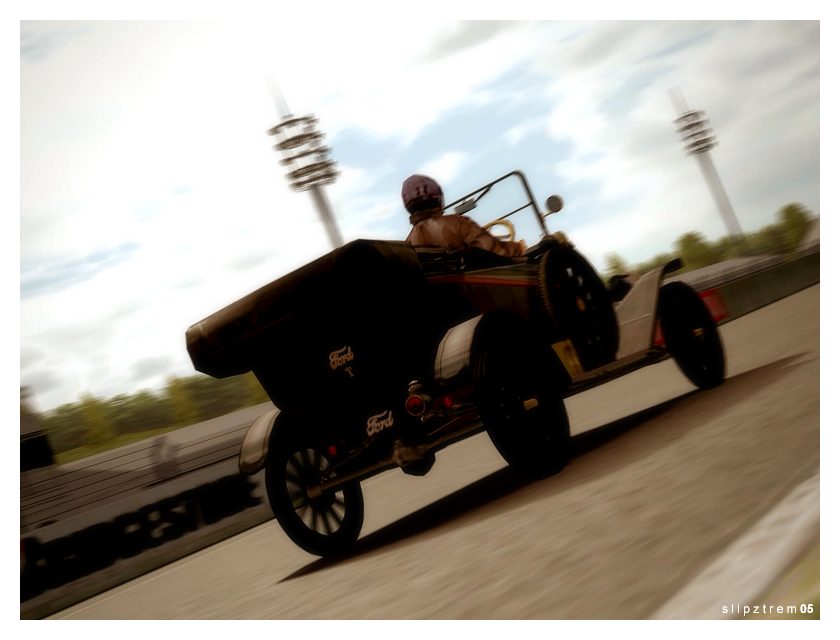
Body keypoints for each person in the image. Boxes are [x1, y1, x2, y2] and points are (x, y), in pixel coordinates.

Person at [402, 174, 525, 257]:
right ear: (439, 199)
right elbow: (495, 251)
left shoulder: (407, 246)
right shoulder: (459, 223)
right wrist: (518, 248)